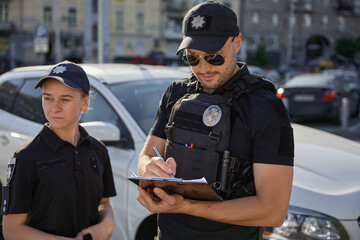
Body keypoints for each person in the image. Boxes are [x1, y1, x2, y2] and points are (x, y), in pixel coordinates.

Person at [136, 1, 294, 240]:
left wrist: (185, 205)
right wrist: (149, 172)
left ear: (237, 42)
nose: (203, 67)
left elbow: (273, 211)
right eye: (192, 58)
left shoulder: (266, 107)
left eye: (214, 57)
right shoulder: (176, 93)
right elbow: (146, 155)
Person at [2, 61, 117, 240]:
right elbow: (12, 231)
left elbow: (104, 203)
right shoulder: (27, 157)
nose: (54, 107)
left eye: (65, 99)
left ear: (84, 103)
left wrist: (108, 223)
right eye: (47, 98)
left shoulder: (98, 150)